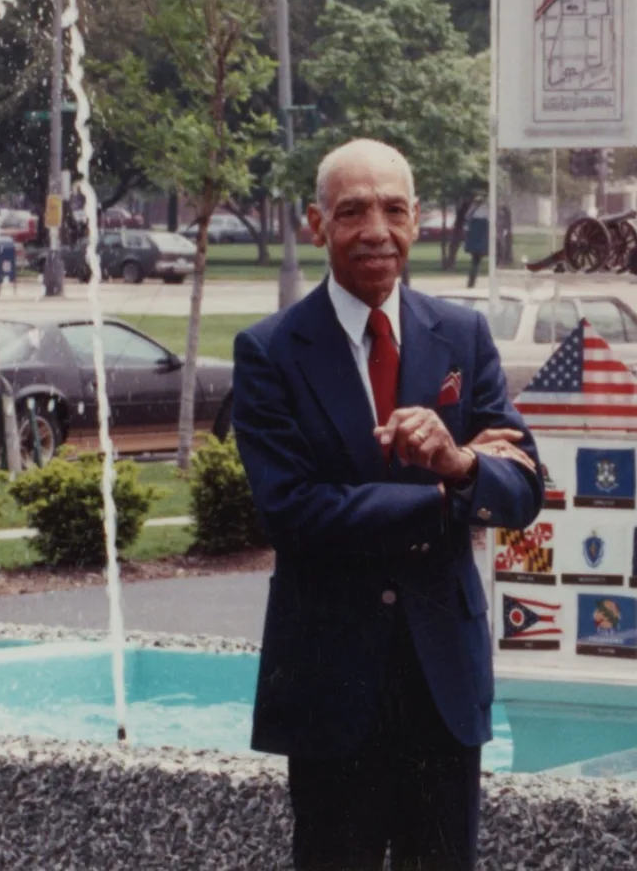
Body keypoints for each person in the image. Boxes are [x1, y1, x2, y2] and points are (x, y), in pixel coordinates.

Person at [232, 138, 542, 870]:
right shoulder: (270, 352)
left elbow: (524, 489)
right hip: (331, 684)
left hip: (444, 681)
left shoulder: (461, 335)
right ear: (316, 224)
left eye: (393, 209)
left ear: (418, 219)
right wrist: (444, 495)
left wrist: (462, 461)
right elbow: (294, 513)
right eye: (352, 210)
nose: (376, 228)